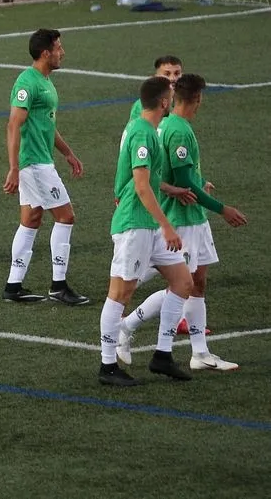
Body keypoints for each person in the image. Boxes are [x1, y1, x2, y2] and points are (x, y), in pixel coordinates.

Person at [117, 74, 247, 371]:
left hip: (194, 218)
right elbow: (183, 178)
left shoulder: (171, 126)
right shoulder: (177, 130)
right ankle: (127, 325)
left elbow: (179, 176)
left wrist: (200, 183)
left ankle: (199, 353)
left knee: (197, 282)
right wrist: (223, 209)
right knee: (182, 284)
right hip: (181, 220)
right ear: (196, 99)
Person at [99, 76, 195, 386]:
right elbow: (141, 187)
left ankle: (162, 355)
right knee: (120, 294)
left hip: (147, 224)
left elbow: (146, 181)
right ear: (164, 102)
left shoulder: (147, 129)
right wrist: (167, 225)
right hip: (135, 224)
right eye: (171, 94)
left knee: (183, 281)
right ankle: (107, 366)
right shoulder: (142, 132)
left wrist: (171, 192)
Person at [2, 29, 88, 305]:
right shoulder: (27, 82)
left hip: (40, 161)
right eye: (58, 48)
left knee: (31, 220)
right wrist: (14, 168)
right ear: (45, 53)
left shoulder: (45, 81)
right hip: (34, 164)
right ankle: (58, 285)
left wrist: (68, 153)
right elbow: (13, 125)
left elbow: (47, 125)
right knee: (66, 216)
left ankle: (13, 286)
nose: (63, 52)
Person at [128, 55, 183, 121]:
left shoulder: (186, 100)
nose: (173, 78)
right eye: (167, 74)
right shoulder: (143, 104)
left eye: (177, 73)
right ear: (157, 77)